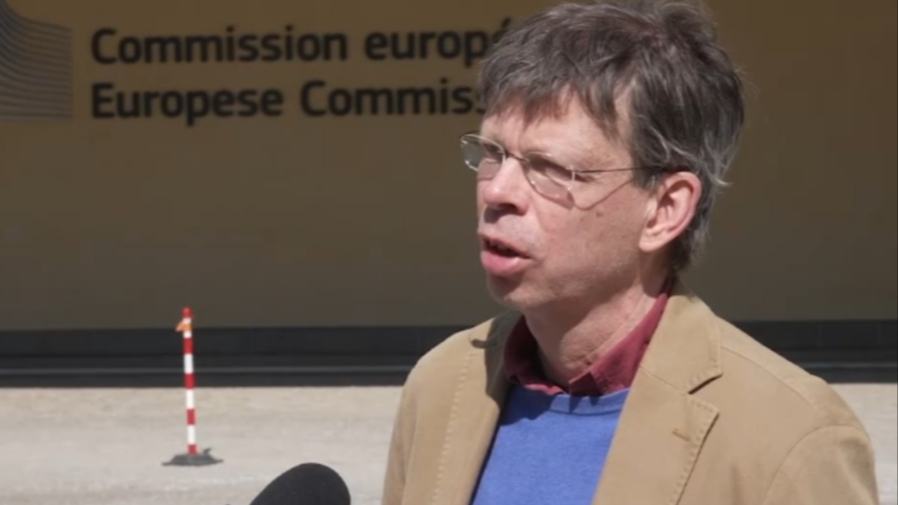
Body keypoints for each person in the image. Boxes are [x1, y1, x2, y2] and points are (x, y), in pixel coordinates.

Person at [381, 1, 880, 504]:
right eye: (494, 153)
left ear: (664, 209)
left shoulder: (791, 438)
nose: (497, 191)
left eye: (549, 167)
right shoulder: (441, 384)